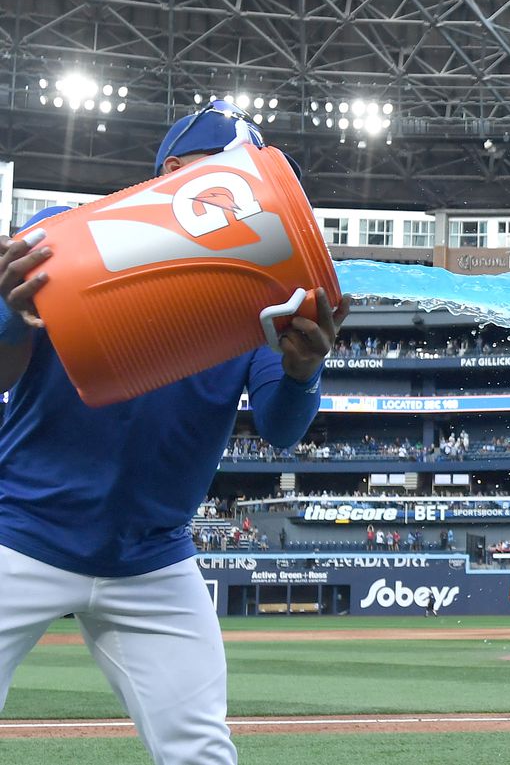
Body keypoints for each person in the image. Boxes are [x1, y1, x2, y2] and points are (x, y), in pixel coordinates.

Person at [0, 100, 347, 765]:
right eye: (230, 179)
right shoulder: (59, 233)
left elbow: (279, 428)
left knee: (201, 754)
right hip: (21, 532)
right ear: (174, 175)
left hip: (151, 558)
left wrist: (304, 369)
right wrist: (11, 316)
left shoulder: (261, 295)